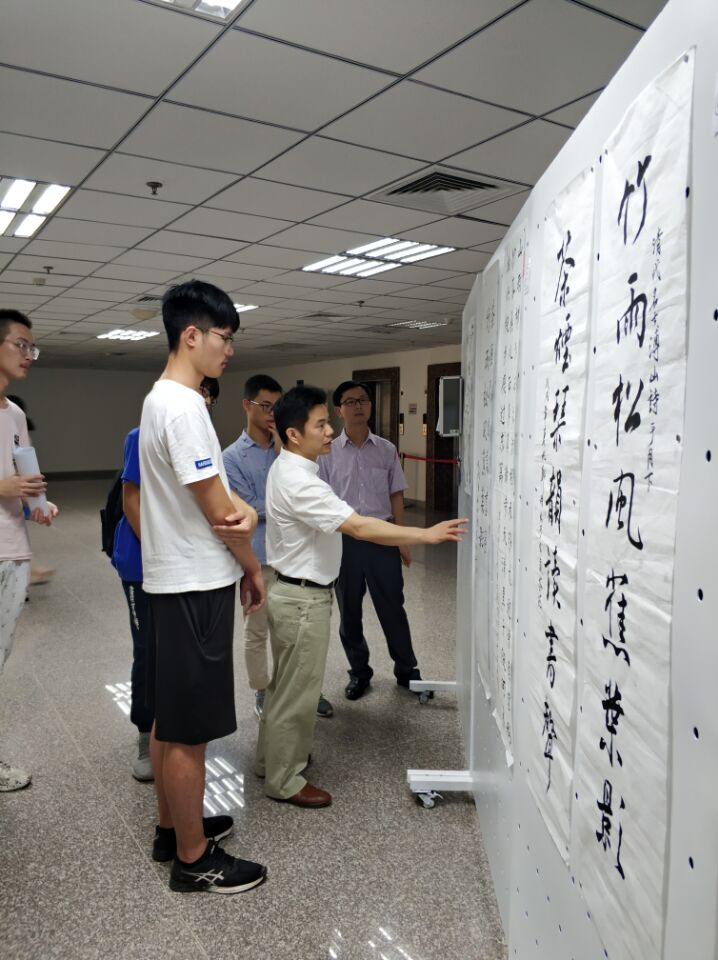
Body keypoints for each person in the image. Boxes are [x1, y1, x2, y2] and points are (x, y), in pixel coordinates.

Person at [215, 385, 466, 808]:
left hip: (290, 591)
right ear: (294, 434)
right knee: (298, 695)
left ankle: (269, 761)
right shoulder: (301, 482)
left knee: (284, 688)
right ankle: (284, 779)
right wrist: (425, 534)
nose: (330, 431)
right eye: (320, 425)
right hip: (302, 601)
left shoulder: (289, 467)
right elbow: (360, 526)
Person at [139, 280, 267, 894]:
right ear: (191, 335)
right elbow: (223, 514)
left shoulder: (159, 398)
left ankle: (173, 828)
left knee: (170, 718)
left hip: (174, 580)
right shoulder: (184, 407)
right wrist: (253, 565)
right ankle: (194, 860)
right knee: (190, 729)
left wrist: (246, 513)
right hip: (195, 584)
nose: (229, 350)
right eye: (224, 337)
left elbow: (214, 495)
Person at [223, 374, 333, 721]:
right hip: (257, 558)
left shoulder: (292, 448)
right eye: (265, 406)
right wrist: (289, 503)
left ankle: (303, 689)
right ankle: (262, 690)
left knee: (294, 633)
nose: (272, 413)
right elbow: (247, 508)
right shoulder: (232, 457)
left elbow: (311, 492)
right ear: (247, 405)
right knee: (257, 631)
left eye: (277, 406)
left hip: (297, 558)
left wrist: (283, 455)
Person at [319, 380, 425, 701]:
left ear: (370, 406)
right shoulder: (327, 453)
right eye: (350, 402)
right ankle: (359, 672)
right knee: (349, 612)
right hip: (345, 542)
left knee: (393, 607)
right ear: (339, 410)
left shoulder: (386, 449)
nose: (358, 406)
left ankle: (407, 670)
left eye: (363, 400)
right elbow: (322, 500)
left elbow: (396, 496)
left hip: (381, 539)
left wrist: (402, 539)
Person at [0, 309, 58, 791]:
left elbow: (24, 476)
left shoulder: (15, 414)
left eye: (31, 347)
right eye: (20, 344)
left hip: (14, 551)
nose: (29, 355)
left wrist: (39, 504)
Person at [111, 427, 154, 781]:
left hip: (182, 565)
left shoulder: (199, 433)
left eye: (208, 400)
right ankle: (145, 732)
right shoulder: (140, 436)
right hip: (143, 564)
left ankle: (174, 725)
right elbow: (131, 501)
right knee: (148, 649)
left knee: (178, 649)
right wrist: (159, 555)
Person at [7, 394, 54, 586]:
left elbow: (20, 472)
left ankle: (30, 572)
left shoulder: (16, 417)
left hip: (12, 508)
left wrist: (37, 502)